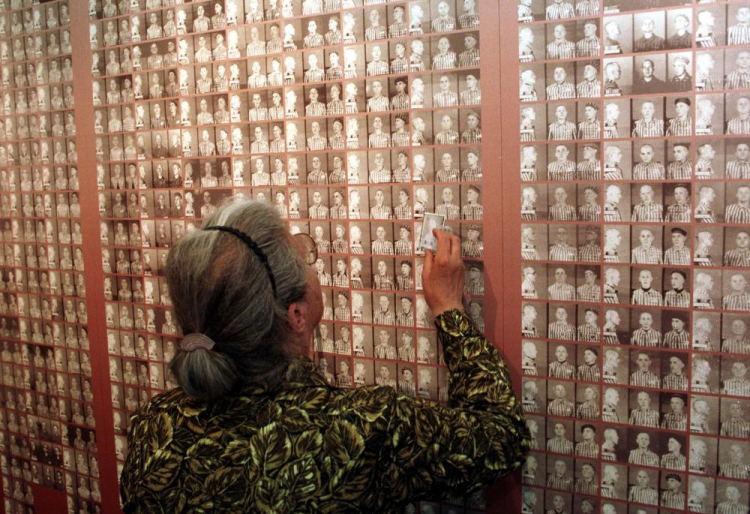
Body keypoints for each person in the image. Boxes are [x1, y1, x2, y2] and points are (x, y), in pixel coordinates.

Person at [121, 202, 530, 511]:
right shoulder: (357, 430)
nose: (311, 265)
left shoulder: (151, 429)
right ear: (296, 315)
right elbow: (501, 437)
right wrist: (449, 310)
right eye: (302, 256)